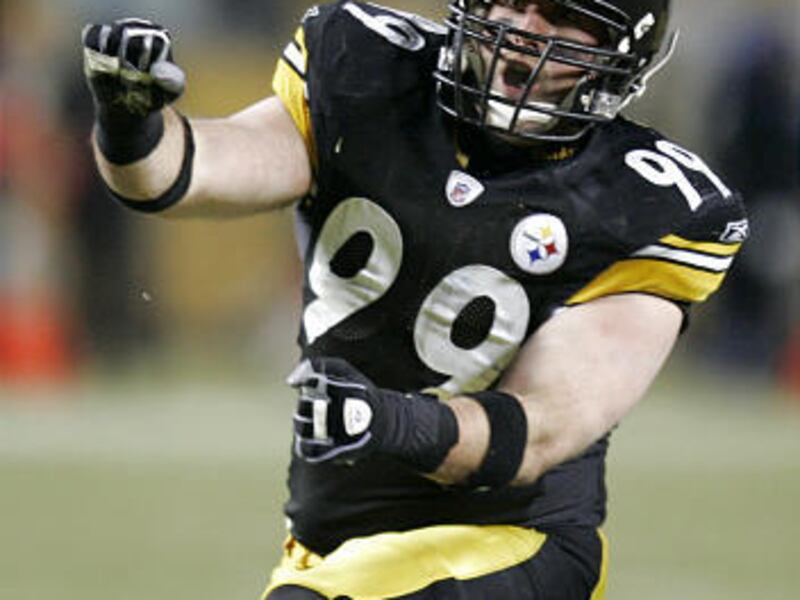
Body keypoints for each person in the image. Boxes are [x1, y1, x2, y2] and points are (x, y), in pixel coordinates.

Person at [81, 1, 747, 598]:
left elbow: (540, 428)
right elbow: (187, 172)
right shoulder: (369, 68)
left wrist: (387, 421)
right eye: (512, 1)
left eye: (562, 14)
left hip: (507, 547)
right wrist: (130, 125)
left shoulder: (657, 204)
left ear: (623, 49)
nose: (524, 30)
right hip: (335, 551)